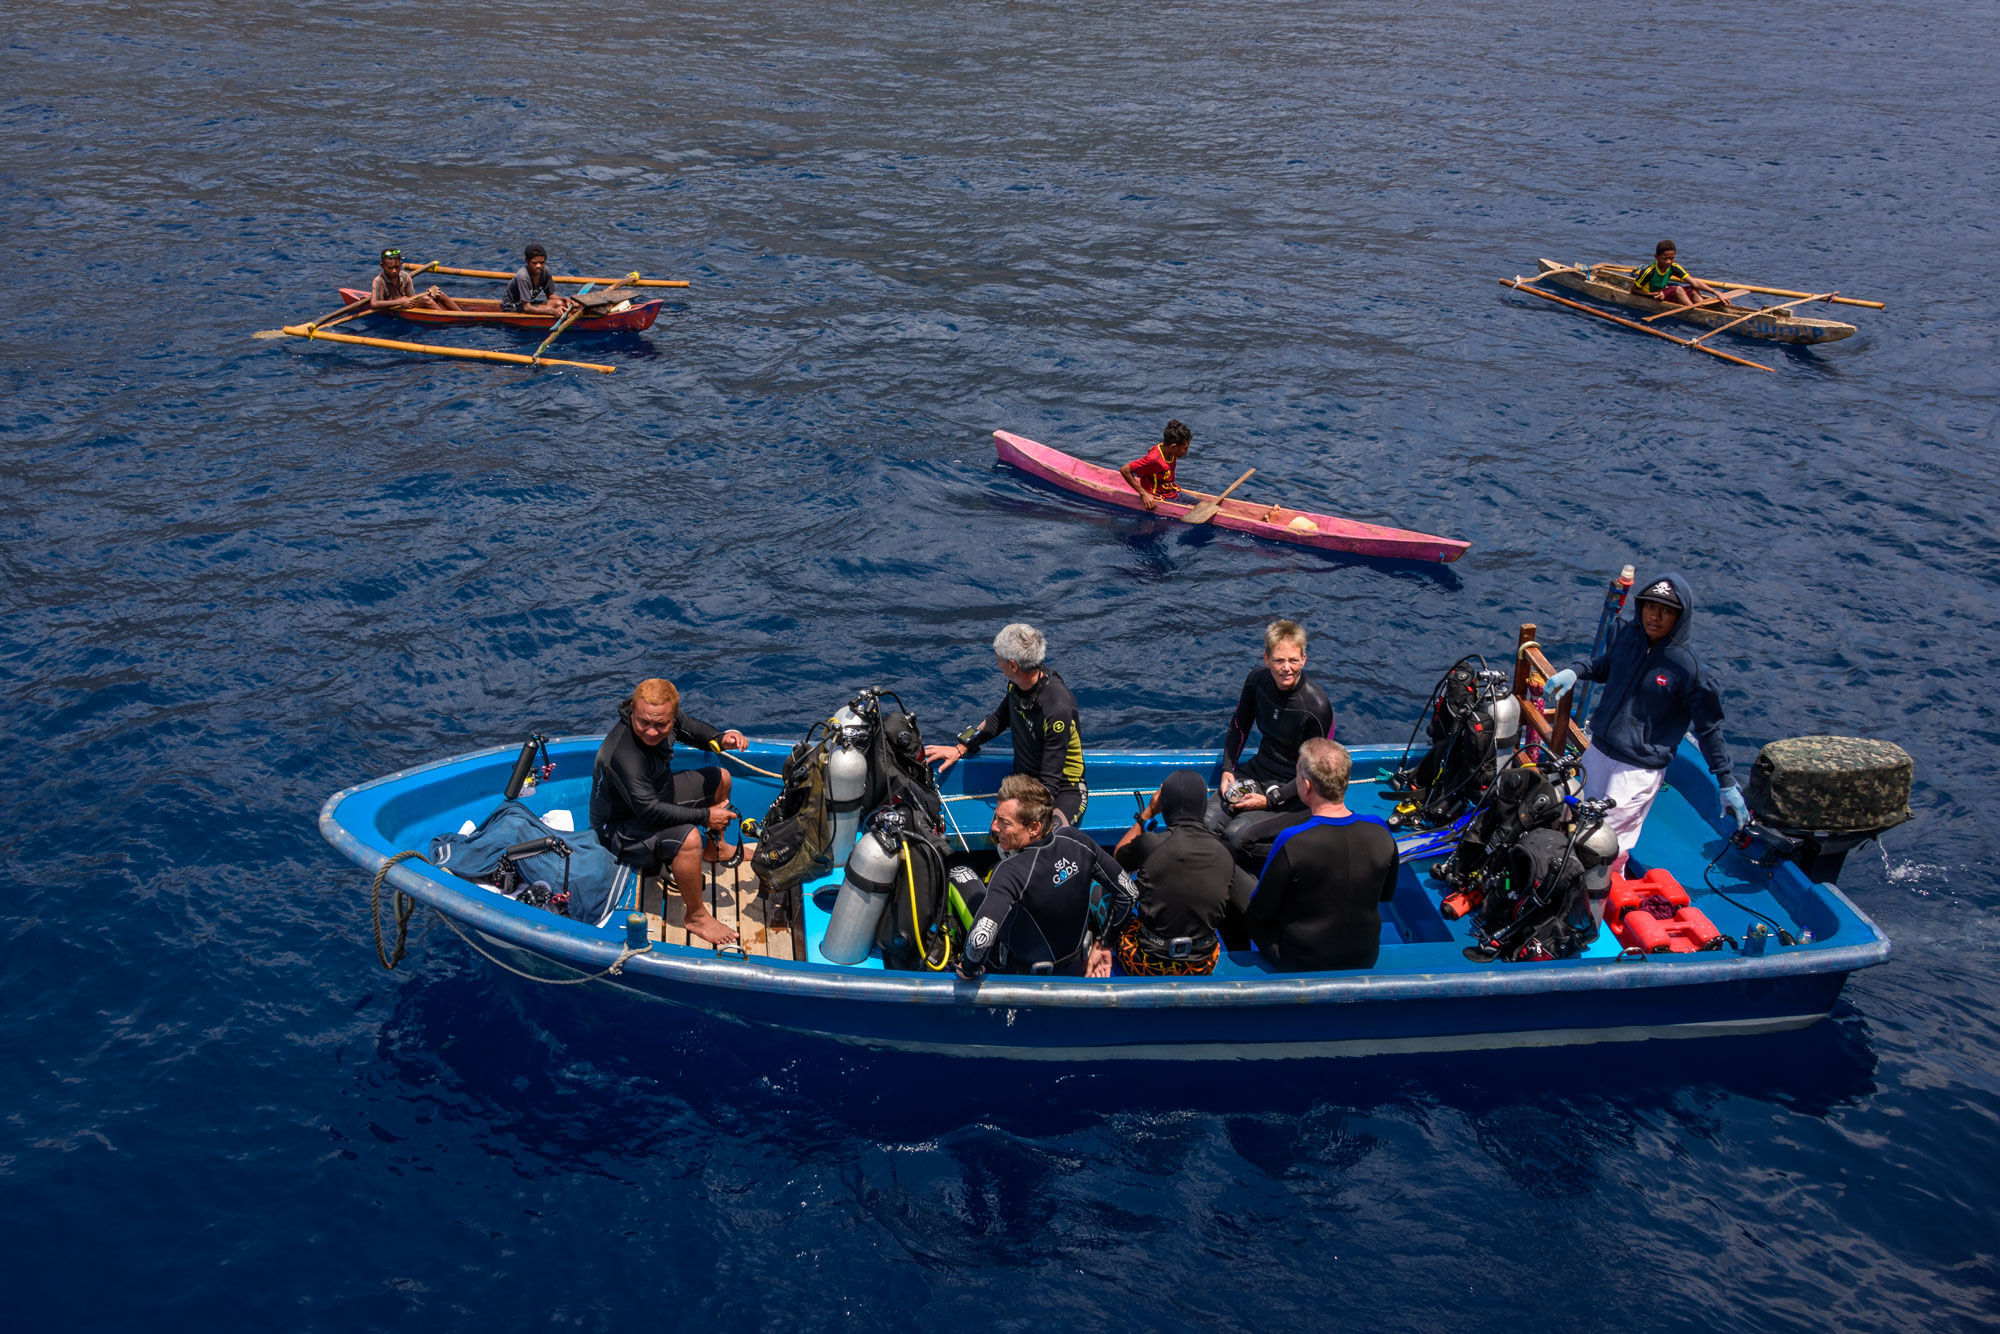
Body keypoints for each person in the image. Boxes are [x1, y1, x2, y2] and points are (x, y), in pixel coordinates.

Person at [1542, 572, 1745, 878]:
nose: (1656, 616)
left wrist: (1726, 781)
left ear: (1680, 617)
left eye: (1666, 611)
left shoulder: (1689, 671)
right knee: (1574, 817)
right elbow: (1604, 667)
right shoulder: (1625, 635)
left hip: (1636, 771)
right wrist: (1575, 671)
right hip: (1598, 751)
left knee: (1608, 843)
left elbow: (1709, 728)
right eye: (1651, 607)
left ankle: (1599, 902)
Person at [589, 678, 751, 946]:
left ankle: (716, 849)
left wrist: (721, 739)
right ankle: (696, 916)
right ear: (632, 711)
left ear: (671, 715)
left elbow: (693, 730)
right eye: (644, 722)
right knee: (688, 839)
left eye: (661, 724)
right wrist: (706, 816)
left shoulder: (667, 718)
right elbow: (650, 812)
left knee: (721, 778)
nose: (651, 732)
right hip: (619, 828)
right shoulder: (624, 755)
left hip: (654, 796)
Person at [957, 775, 1136, 980]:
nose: (995, 827)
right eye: (995, 817)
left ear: (1034, 828)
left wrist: (969, 969)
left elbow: (980, 940)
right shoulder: (1077, 840)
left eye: (1004, 822)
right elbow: (1128, 893)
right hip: (1075, 967)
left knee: (958, 872)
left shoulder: (1009, 871)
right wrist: (1104, 943)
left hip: (1022, 977)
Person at [1243, 738, 1400, 972]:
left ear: (1306, 786)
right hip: (1365, 957)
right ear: (1346, 781)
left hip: (1299, 960)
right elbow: (1385, 896)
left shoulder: (1292, 839)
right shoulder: (1380, 830)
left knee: (1234, 873)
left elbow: (1262, 912)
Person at [925, 623, 1088, 824]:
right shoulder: (1019, 684)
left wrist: (1023, 820)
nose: (997, 664)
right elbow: (998, 720)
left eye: (998, 660)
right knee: (1001, 835)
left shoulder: (1056, 706)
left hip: (1062, 791)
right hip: (1023, 783)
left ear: (1013, 665)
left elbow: (1050, 783)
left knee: (1040, 839)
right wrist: (961, 747)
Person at [1208, 619, 1336, 864]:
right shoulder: (1257, 681)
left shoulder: (1316, 706)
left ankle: (1300, 859)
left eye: (1293, 660)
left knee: (1237, 836)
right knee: (1206, 823)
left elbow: (1316, 771)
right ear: (1266, 659)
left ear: (1304, 660)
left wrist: (1269, 800)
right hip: (1259, 771)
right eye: (1278, 660)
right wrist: (1227, 770)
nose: (1286, 668)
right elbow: (1238, 726)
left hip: (1298, 792)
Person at [1111, 770, 1245, 976]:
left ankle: (1095, 956)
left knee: (1099, 893)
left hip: (1148, 964)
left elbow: (1118, 859)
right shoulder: (1226, 849)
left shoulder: (1150, 844)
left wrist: (1147, 814)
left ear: (1165, 806)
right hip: (1203, 964)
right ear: (1202, 806)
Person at [1119, 418, 1192, 512]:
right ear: (1173, 447)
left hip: (1172, 491)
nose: (1187, 451)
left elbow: (1151, 449)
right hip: (1160, 497)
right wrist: (1143, 494)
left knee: (1202, 504)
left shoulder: (1166, 448)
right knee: (1194, 511)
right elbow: (1124, 470)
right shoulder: (1154, 459)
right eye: (1185, 448)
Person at [1630, 240, 1724, 309]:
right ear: (1656, 257)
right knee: (1677, 289)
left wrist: (1715, 292)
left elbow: (1694, 282)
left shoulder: (1673, 267)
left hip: (1663, 293)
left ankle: (1702, 307)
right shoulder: (1649, 271)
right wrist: (1651, 295)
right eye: (1664, 259)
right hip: (1652, 295)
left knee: (1693, 290)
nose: (1668, 262)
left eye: (1671, 258)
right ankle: (1694, 311)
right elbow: (1634, 290)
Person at [365, 248, 462, 314]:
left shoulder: (405, 276)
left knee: (439, 294)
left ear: (400, 264)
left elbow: (413, 298)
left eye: (397, 267)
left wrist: (429, 293)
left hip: (407, 304)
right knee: (426, 300)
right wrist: (399, 302)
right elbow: (374, 304)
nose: (394, 271)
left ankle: (461, 315)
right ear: (382, 266)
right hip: (393, 307)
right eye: (390, 268)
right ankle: (446, 317)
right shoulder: (379, 281)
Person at [501, 243, 573, 316]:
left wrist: (564, 299)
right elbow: (527, 307)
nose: (538, 266)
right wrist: (552, 311)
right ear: (527, 261)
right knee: (548, 308)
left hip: (527, 303)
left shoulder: (545, 271)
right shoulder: (523, 276)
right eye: (534, 263)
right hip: (511, 307)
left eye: (542, 262)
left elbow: (550, 295)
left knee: (559, 303)